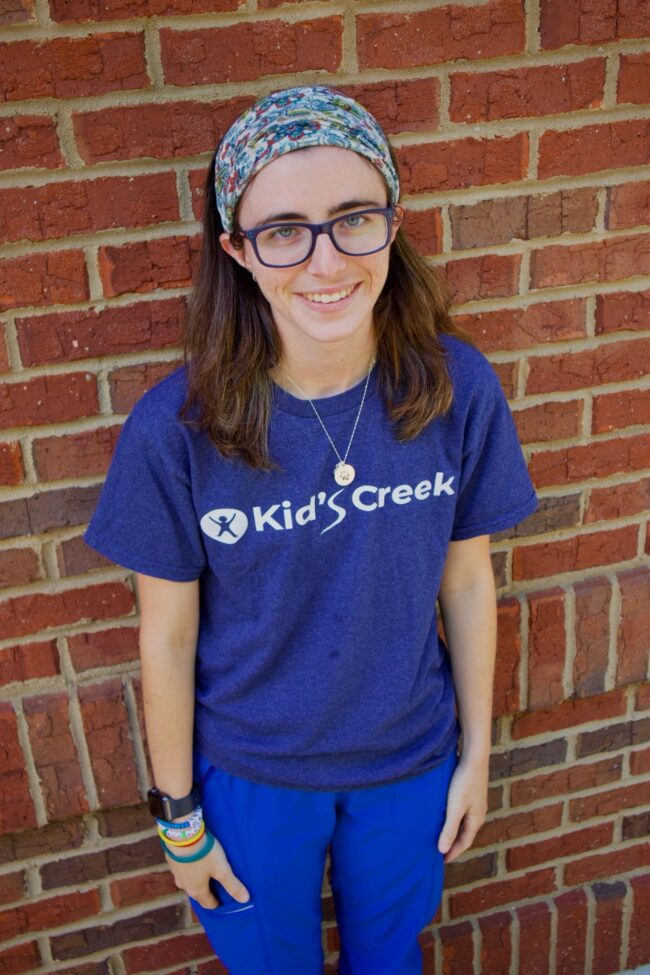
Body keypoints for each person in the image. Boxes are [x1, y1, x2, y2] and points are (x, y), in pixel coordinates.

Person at [85, 85, 538, 975]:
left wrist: (478, 755)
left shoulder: (455, 390)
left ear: (393, 222)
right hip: (250, 781)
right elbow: (167, 637)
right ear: (236, 250)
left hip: (407, 765)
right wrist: (179, 817)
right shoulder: (176, 427)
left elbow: (468, 581)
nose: (325, 260)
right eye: (283, 229)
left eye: (352, 218)